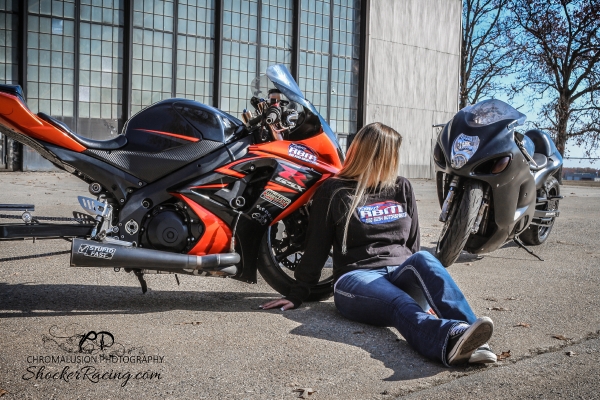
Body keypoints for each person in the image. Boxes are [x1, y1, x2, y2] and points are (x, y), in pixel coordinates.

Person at [260, 122, 496, 366]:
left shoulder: (401, 186)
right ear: (382, 155)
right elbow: (316, 247)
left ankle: (474, 338)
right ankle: (448, 342)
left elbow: (413, 245)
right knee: (400, 302)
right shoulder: (335, 190)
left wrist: (430, 296)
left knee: (425, 259)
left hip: (401, 272)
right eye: (394, 153)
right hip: (357, 278)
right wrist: (297, 294)